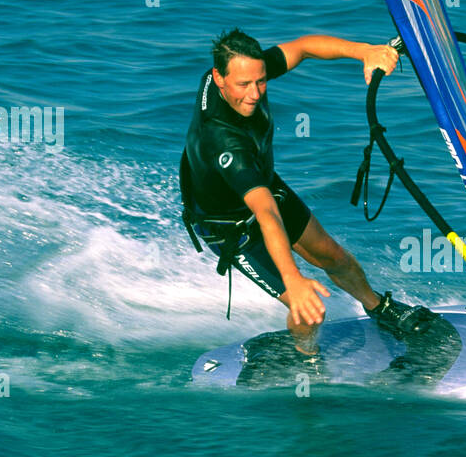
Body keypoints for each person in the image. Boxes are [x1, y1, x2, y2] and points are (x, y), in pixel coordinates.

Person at [180, 26, 434, 361]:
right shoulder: (223, 140)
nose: (255, 94)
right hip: (229, 225)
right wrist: (293, 279)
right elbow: (266, 212)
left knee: (333, 256)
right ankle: (306, 357)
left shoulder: (240, 70)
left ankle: (378, 308)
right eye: (244, 85)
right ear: (219, 77)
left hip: (261, 183)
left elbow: (303, 47)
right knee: (307, 308)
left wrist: (364, 51)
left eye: (261, 81)